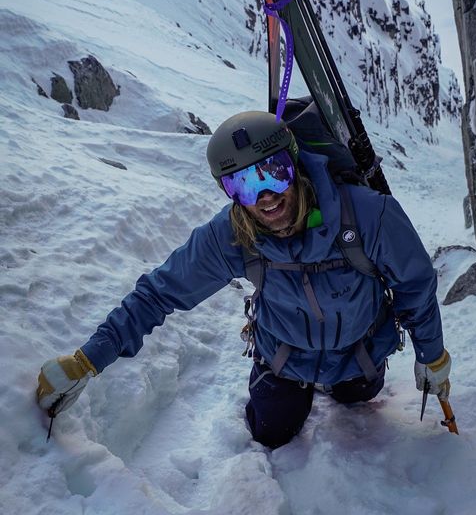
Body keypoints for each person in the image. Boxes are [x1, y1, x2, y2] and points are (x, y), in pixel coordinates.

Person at [37, 111, 451, 449]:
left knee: (357, 394)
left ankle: (347, 383)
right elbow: (159, 292)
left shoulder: (367, 215)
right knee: (270, 432)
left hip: (360, 351)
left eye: (273, 172)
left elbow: (415, 285)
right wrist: (88, 359)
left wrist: (431, 356)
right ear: (228, 191)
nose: (264, 196)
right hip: (286, 357)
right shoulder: (234, 235)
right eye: (243, 184)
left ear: (295, 165)